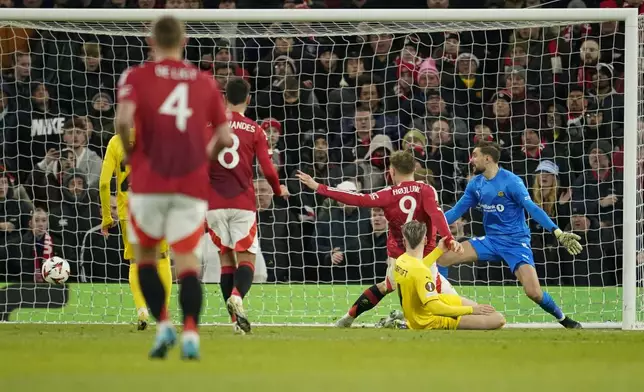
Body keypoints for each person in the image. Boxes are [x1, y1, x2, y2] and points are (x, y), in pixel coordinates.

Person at [114, 15, 232, 360]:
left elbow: (122, 120)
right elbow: (224, 138)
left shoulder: (135, 77)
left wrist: (133, 152)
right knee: (188, 264)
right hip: (189, 183)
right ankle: (191, 333)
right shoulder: (205, 81)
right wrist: (202, 160)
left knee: (147, 259)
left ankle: (164, 325)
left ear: (151, 41)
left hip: (149, 182)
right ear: (185, 42)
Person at [296, 150, 461, 328]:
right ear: (414, 168)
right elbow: (436, 214)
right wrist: (449, 239)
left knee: (389, 285)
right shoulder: (427, 190)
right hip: (425, 256)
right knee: (450, 304)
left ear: (392, 171)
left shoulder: (388, 194)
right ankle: (408, 319)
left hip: (400, 257)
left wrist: (319, 187)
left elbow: (356, 199)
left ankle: (352, 317)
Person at [438, 141, 583, 329]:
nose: (471, 160)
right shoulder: (476, 184)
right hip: (491, 241)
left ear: (487, 158)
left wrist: (557, 231)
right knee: (442, 258)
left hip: (515, 242)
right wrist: (430, 224)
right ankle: (441, 307)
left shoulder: (512, 181)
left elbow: (532, 208)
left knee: (534, 293)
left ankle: (564, 319)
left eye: (475, 155)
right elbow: (456, 211)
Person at [206, 77, 288, 334]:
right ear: (249, 100)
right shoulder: (255, 130)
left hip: (214, 204)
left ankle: (235, 324)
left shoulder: (209, 126)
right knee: (247, 258)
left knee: (226, 261)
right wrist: (277, 190)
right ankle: (238, 297)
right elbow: (268, 170)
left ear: (223, 98)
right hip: (242, 202)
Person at [99, 127, 173, 331]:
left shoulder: (115, 142)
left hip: (128, 211)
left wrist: (107, 216)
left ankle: (142, 310)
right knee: (162, 257)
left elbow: (104, 184)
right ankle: (162, 311)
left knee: (136, 261)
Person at [391, 220, 505, 330]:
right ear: (425, 240)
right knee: (498, 319)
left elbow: (417, 270)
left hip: (427, 307)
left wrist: (439, 250)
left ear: (404, 241)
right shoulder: (422, 271)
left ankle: (401, 317)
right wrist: (472, 310)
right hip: (429, 320)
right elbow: (435, 308)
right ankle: (402, 321)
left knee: (488, 312)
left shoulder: (401, 260)